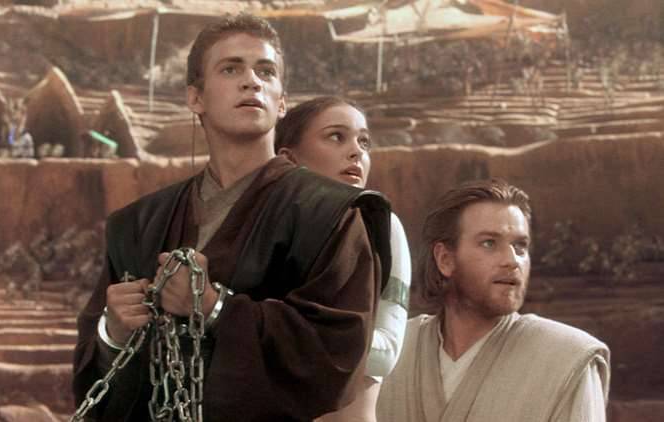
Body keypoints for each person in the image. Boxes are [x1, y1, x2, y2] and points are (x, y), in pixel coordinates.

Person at [72, 13, 391, 422]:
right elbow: (94, 388)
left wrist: (214, 307)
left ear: (281, 102)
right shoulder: (138, 224)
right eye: (231, 69)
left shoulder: (331, 214)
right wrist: (112, 333)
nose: (251, 81)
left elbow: (337, 352)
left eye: (266, 71)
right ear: (196, 98)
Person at [377, 179, 610, 422]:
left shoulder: (567, 360)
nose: (512, 261)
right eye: (489, 243)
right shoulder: (391, 349)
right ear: (445, 259)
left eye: (520, 247)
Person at [275, 96, 411, 422]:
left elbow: (387, 353)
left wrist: (281, 333)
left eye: (363, 142)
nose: (356, 152)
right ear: (288, 159)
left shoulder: (380, 227)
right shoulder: (264, 233)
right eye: (336, 136)